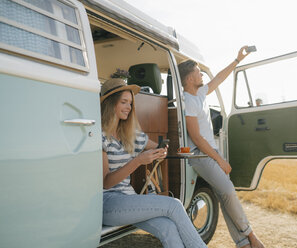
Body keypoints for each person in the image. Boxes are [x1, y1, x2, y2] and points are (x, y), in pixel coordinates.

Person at [100, 77, 207, 248]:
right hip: (108, 204)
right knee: (174, 205)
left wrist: (160, 152)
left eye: (130, 103)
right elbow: (106, 182)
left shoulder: (129, 134)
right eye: (124, 102)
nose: (129, 107)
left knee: (169, 227)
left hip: (129, 199)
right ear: (111, 103)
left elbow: (157, 146)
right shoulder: (101, 136)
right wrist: (138, 161)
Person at [178, 46, 265, 248]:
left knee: (224, 195)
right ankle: (251, 236)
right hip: (199, 154)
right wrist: (219, 159)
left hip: (210, 152)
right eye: (198, 71)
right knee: (227, 191)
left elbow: (218, 78)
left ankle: (242, 242)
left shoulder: (199, 93)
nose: (202, 74)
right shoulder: (188, 101)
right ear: (190, 78)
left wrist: (237, 60)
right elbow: (196, 138)